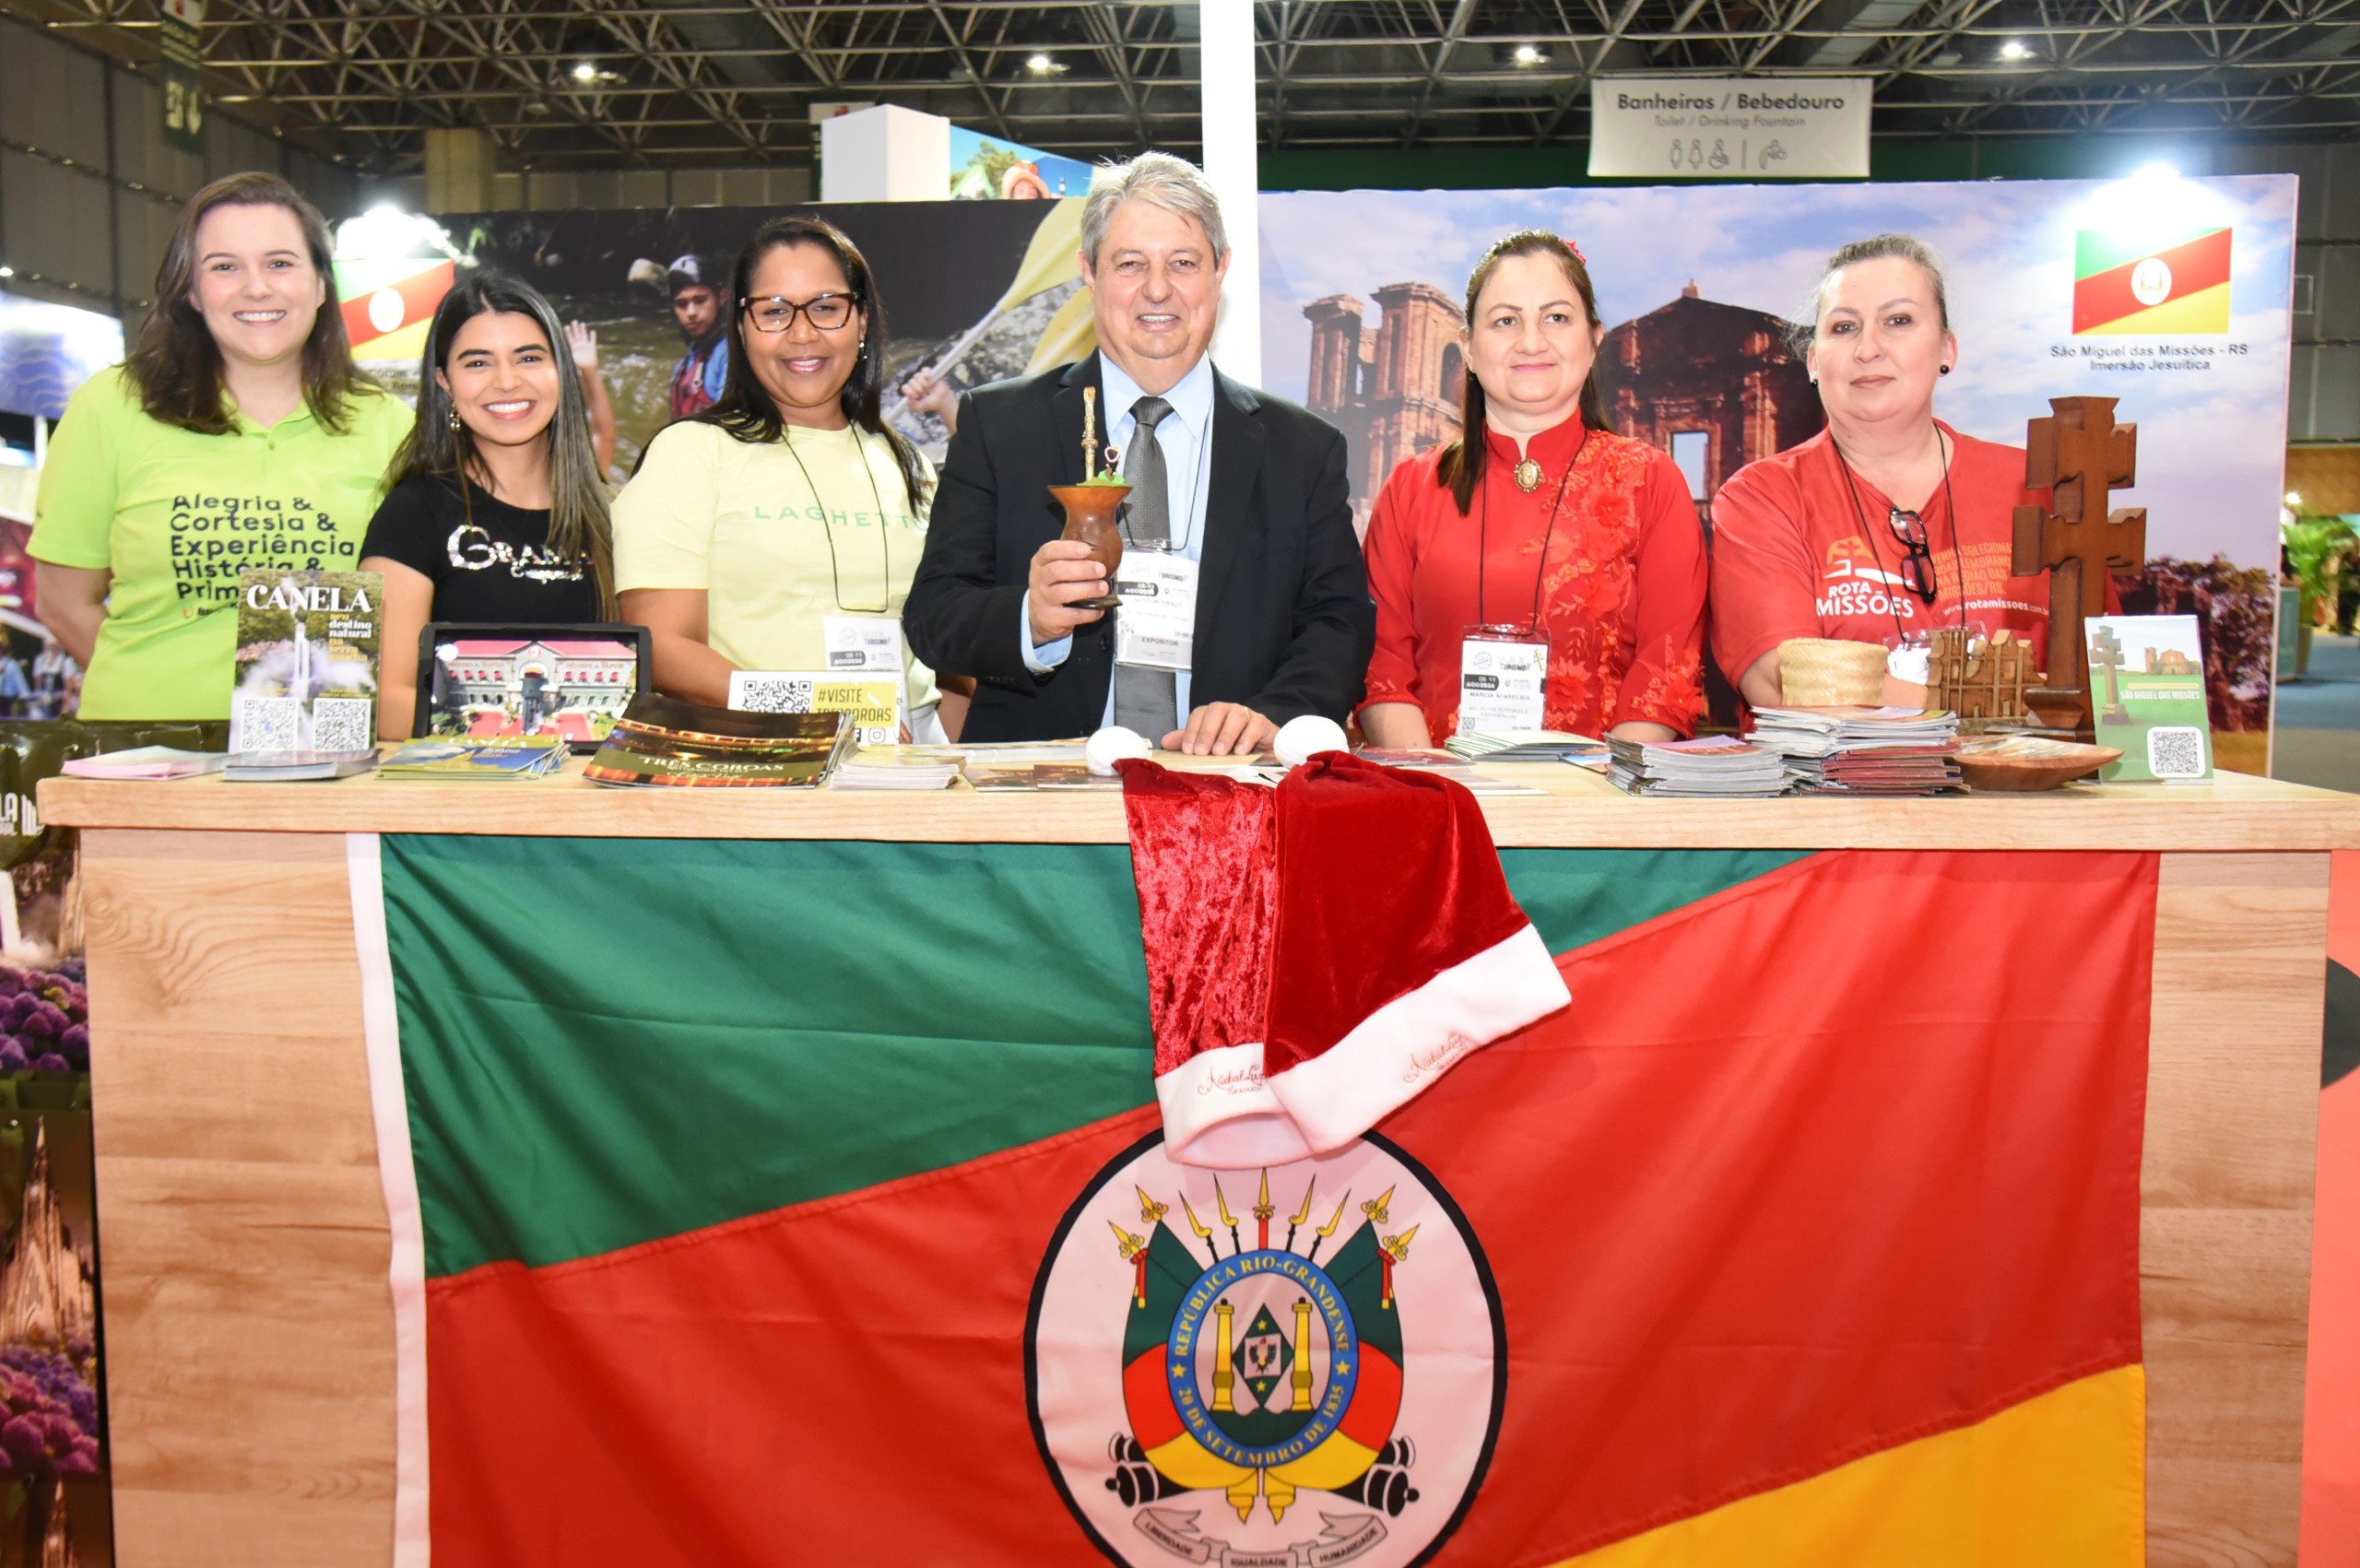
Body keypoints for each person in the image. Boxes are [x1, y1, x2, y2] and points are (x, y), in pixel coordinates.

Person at [903, 151, 1373, 752]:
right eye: (1130, 264)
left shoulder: (1303, 449)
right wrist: (1030, 618)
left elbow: (1340, 622)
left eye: (1183, 262)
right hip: (1048, 795)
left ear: (1220, 270)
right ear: (1089, 272)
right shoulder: (999, 425)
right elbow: (934, 615)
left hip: (1227, 786)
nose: (1158, 289)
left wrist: (1272, 714)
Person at [30, 171, 408, 722]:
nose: (256, 287)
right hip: (146, 760)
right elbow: (63, 602)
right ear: (192, 291)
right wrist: (162, 706)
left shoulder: (387, 424)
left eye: (280, 263)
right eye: (224, 267)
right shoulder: (111, 406)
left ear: (322, 285)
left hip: (322, 760)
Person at [1357, 231, 1705, 748]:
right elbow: (1382, 665)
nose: (1531, 341)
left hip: (1606, 806)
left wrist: (1596, 806)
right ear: (1470, 350)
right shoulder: (1412, 488)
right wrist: (1438, 791)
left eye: (1557, 317)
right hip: (1440, 798)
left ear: (1594, 341)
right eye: (1505, 320)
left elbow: (1667, 666)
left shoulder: (1649, 482)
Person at [613, 216, 941, 736]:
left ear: (861, 321)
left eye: (827, 308)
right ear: (742, 329)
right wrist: (812, 716)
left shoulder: (912, 465)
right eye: (774, 312)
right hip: (753, 745)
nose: (802, 333)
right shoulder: (690, 454)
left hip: (910, 747)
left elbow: (945, 648)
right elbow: (662, 647)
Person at [1710, 233, 2065, 708]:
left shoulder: (2035, 486)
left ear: (1947, 349)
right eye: (1843, 328)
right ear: (1813, 361)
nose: (1868, 348)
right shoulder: (1762, 497)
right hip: (1839, 781)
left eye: (1898, 321)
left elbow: (2107, 674)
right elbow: (1787, 684)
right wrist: (1996, 711)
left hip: (2023, 780)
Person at [360, 272, 616, 740]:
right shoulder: (413, 513)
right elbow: (384, 700)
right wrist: (528, 729)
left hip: (588, 799)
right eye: (477, 363)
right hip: (459, 798)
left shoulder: (609, 515)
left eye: (529, 358)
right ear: (444, 382)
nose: (506, 381)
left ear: (561, 369)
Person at [665, 254, 731, 421]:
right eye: (682, 304)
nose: (691, 312)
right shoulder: (683, 366)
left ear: (721, 297)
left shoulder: (732, 352)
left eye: (700, 300)